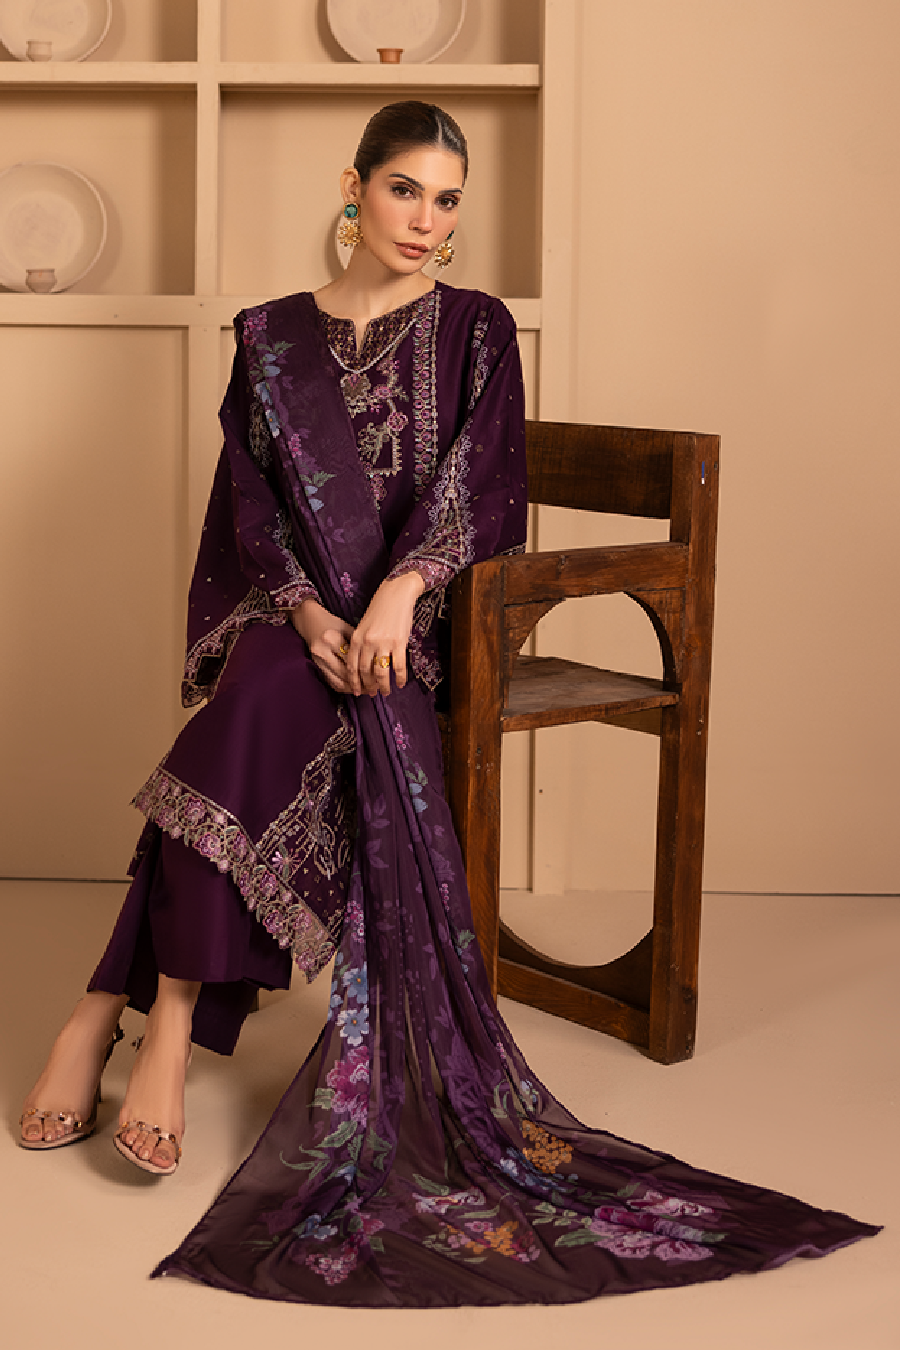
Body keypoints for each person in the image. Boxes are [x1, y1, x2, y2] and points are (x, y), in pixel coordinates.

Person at [18, 102, 879, 1304]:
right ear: (354, 187)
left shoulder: (477, 329)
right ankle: (148, 1015)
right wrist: (305, 612)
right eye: (406, 189)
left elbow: (484, 482)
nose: (427, 219)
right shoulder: (269, 337)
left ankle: (124, 1012)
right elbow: (250, 505)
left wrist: (397, 596)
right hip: (298, 616)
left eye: (449, 198)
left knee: (241, 724)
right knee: (252, 699)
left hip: (413, 632)